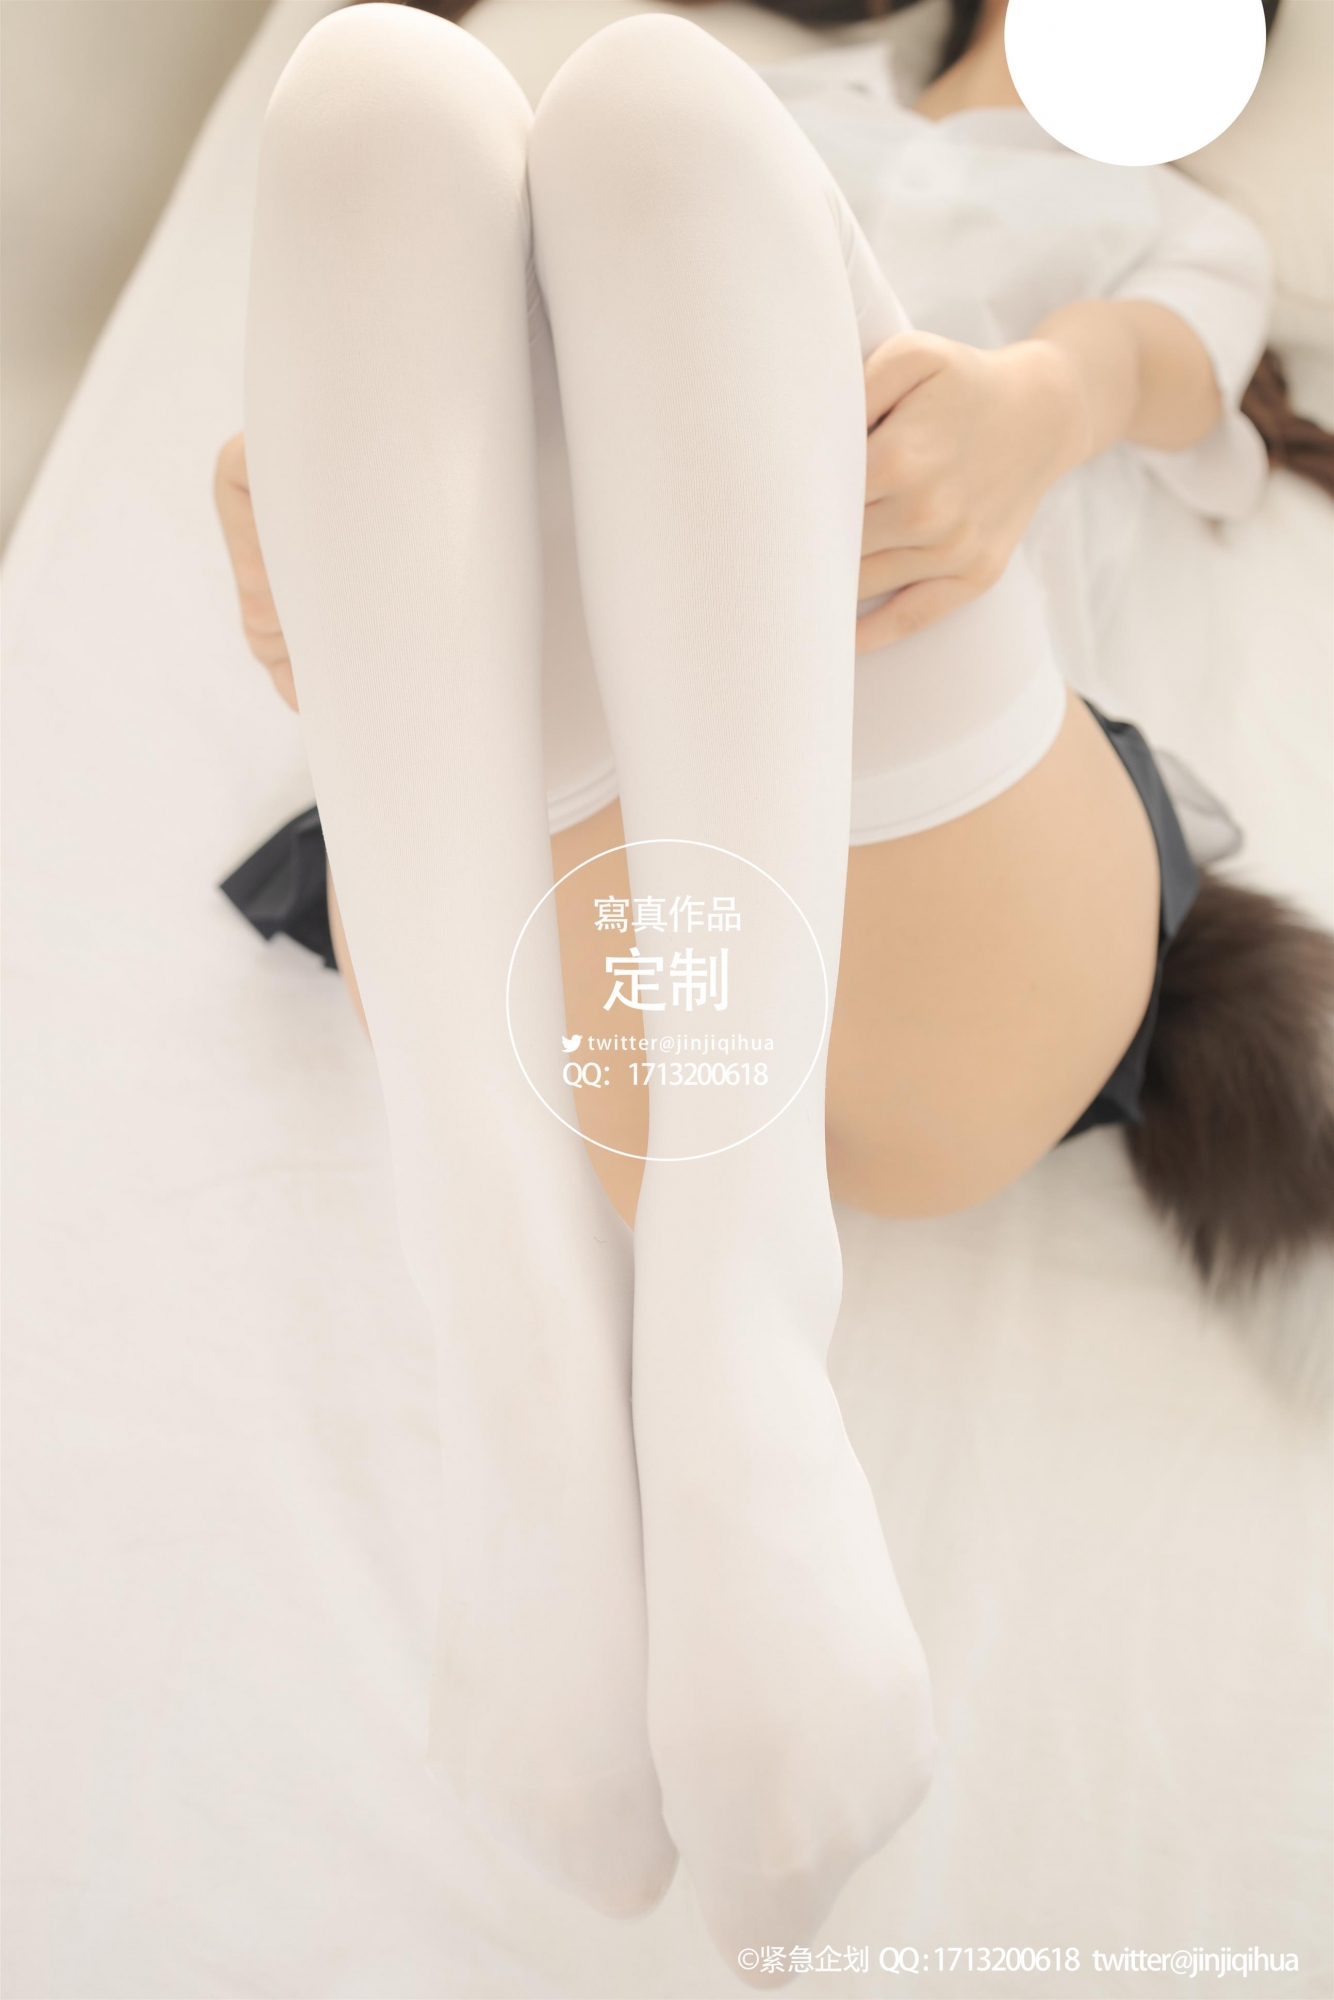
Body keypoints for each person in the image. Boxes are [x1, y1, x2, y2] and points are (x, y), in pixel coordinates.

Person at [214, 0, 1333, 1968]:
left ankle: (704, 1318)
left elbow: (1152, 372)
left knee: (654, 113)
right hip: (571, 948)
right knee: (375, 103)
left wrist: (1029, 411)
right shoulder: (800, 97)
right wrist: (311, 499)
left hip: (935, 851)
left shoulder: (1168, 218)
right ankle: (538, 1347)